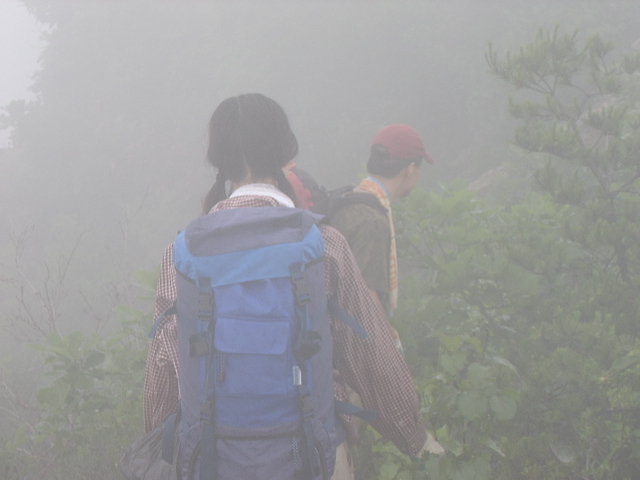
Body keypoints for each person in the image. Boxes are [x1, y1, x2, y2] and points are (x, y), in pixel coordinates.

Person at [143, 95, 437, 480]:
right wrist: (416, 439)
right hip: (314, 458)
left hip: (213, 461)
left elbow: (164, 372)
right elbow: (370, 354)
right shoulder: (323, 245)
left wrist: (159, 454)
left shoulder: (181, 255)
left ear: (218, 159)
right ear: (286, 152)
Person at [330, 124, 433, 342]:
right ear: (410, 169)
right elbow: (366, 296)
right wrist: (388, 339)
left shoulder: (349, 199)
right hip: (348, 344)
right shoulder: (373, 221)